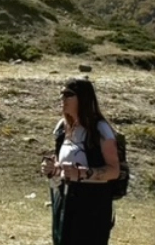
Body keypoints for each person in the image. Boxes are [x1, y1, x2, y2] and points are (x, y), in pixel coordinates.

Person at [41, 77, 121, 245]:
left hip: (92, 205)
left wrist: (84, 173)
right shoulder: (62, 128)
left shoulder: (101, 130)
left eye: (68, 95)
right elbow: (63, 163)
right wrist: (53, 169)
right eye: (61, 94)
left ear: (83, 98)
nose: (62, 99)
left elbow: (114, 170)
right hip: (65, 200)